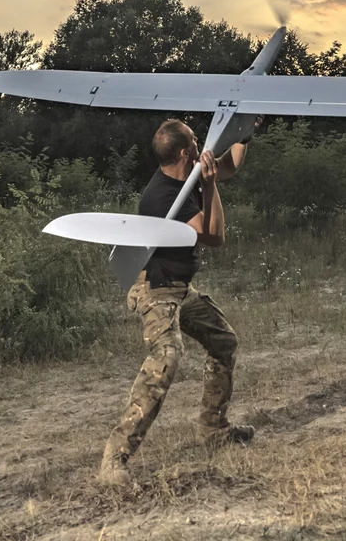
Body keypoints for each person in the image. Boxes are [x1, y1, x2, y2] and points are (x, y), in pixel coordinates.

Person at [98, 117, 259, 487]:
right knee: (165, 358)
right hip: (155, 289)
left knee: (224, 342)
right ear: (186, 153)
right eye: (195, 140)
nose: (202, 143)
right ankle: (114, 460)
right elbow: (214, 236)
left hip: (180, 288)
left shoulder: (186, 175)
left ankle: (213, 429)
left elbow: (230, 164)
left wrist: (245, 133)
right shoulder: (162, 196)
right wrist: (210, 184)